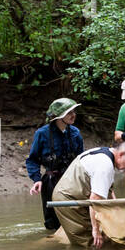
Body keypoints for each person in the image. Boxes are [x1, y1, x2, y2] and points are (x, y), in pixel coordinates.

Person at [51, 140, 125, 248]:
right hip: (68, 200)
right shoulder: (105, 165)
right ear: (121, 154)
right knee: (92, 242)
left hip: (78, 196)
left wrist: (116, 211)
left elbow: (108, 190)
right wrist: (95, 230)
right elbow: (95, 200)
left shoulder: (105, 153)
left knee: (104, 231)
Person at [26, 98, 84, 231]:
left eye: (74, 111)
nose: (73, 115)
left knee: (76, 215)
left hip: (72, 180)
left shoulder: (75, 133)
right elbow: (33, 160)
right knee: (52, 220)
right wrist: (37, 180)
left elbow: (81, 159)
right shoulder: (42, 134)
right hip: (51, 181)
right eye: (69, 112)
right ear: (59, 116)